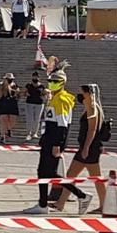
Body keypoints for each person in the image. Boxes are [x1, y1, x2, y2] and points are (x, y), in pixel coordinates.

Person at [25, 71, 81, 214]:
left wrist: (57, 145)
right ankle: (42, 204)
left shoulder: (61, 100)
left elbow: (62, 125)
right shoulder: (54, 98)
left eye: (55, 81)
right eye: (50, 81)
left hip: (54, 141)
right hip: (48, 139)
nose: (52, 83)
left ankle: (81, 194)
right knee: (43, 172)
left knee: (48, 172)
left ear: (62, 84)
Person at [60, 83, 108, 214]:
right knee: (72, 175)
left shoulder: (92, 107)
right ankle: (60, 203)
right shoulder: (90, 107)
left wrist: (86, 147)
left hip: (90, 148)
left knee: (96, 177)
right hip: (87, 147)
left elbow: (92, 129)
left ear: (88, 93)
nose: (79, 95)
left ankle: (105, 205)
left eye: (81, 92)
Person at [22, 59, 47, 140]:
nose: (35, 78)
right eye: (34, 76)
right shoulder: (28, 85)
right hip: (29, 102)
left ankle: (35, 133)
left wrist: (46, 94)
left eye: (36, 76)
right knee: (29, 118)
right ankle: (28, 133)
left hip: (39, 103)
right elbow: (24, 93)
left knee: (37, 118)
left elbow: (44, 94)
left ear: (39, 78)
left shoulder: (42, 86)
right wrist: (26, 94)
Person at [0, 73, 21, 143]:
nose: (9, 80)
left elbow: (18, 94)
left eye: (10, 79)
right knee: (3, 119)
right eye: (8, 79)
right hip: (3, 103)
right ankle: (3, 136)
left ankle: (9, 129)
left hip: (12, 103)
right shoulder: (0, 85)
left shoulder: (15, 86)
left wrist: (16, 93)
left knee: (13, 119)